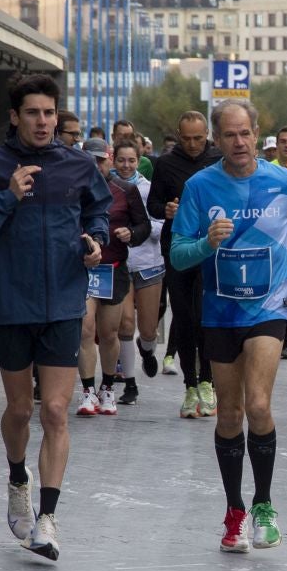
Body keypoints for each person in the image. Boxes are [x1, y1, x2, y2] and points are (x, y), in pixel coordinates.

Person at [0, 74, 112, 561]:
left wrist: (95, 241)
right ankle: (17, 475)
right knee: (21, 411)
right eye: (33, 114)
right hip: (10, 304)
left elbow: (97, 212)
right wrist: (8, 196)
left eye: (49, 113)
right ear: (15, 117)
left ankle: (47, 518)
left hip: (64, 302)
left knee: (57, 411)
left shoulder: (78, 165)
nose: (43, 122)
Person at [170, 99, 287, 553]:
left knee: (258, 406)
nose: (239, 142)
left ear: (259, 134)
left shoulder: (283, 180)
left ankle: (263, 505)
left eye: (246, 133)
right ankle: (234, 509)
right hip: (220, 314)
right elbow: (177, 254)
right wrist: (204, 244)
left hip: (269, 309)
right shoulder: (200, 187)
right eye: (230, 135)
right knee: (230, 414)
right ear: (217, 140)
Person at [147, 111, 222, 418]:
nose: (193, 144)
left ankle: (207, 380)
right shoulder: (165, 163)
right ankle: (190, 386)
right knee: (185, 317)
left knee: (207, 317)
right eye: (187, 138)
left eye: (199, 138)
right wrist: (165, 208)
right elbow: (152, 204)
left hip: (213, 249)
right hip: (178, 248)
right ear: (178, 136)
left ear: (208, 135)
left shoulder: (219, 159)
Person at [74, 138, 151, 417]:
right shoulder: (72, 190)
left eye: (101, 160)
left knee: (108, 333)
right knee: (85, 329)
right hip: (82, 269)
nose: (96, 166)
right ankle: (87, 391)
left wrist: (132, 234)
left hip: (113, 268)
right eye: (90, 160)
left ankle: (107, 387)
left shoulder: (125, 190)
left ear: (109, 161)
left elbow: (143, 225)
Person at [116, 139, 166, 402]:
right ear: (114, 160)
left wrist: (140, 229)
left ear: (139, 161)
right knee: (124, 324)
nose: (126, 166)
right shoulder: (109, 189)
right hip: (120, 265)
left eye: (131, 160)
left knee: (148, 330)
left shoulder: (150, 189)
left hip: (148, 264)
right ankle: (130, 384)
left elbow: (161, 224)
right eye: (121, 160)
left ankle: (146, 349)